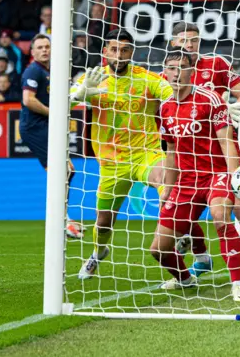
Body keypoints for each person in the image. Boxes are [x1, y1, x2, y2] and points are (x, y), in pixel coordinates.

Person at [169, 22, 240, 289]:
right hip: (188, 155)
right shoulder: (168, 74)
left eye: (193, 40)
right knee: (181, 205)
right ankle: (202, 257)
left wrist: (230, 107)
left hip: (222, 147)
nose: (188, 45)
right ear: (173, 43)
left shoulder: (215, 64)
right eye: (183, 40)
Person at [70, 29, 173, 278]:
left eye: (125, 50)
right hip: (111, 162)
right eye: (114, 49)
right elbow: (63, 104)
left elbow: (173, 96)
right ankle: (98, 252)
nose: (119, 54)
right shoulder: (93, 78)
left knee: (167, 185)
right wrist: (79, 95)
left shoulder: (146, 78)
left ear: (131, 53)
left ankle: (178, 236)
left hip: (146, 153)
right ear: (105, 52)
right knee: (104, 221)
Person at [156, 48, 240, 302]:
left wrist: (237, 182)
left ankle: (238, 283)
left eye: (182, 68)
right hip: (186, 180)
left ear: (191, 71)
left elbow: (227, 143)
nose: (176, 73)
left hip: (215, 173)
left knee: (220, 215)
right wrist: (167, 188)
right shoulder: (164, 109)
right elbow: (172, 152)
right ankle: (184, 278)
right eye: (171, 68)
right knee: (159, 250)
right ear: (165, 73)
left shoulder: (211, 100)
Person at [19, 34, 83, 239]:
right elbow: (28, 100)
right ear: (33, 52)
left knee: (68, 171)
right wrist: (53, 113)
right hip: (35, 127)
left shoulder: (51, 71)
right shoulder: (33, 71)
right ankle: (61, 220)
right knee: (62, 170)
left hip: (47, 126)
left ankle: (62, 217)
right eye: (40, 47)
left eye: (47, 46)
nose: (45, 50)